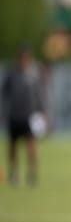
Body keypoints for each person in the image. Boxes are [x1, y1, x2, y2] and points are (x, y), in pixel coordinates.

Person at [1, 46, 46, 187]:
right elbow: (4, 94)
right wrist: (3, 113)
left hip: (29, 116)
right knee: (13, 146)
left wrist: (42, 112)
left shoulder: (33, 74)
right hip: (14, 115)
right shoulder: (11, 73)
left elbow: (39, 94)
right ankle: (14, 173)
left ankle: (32, 173)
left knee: (31, 145)